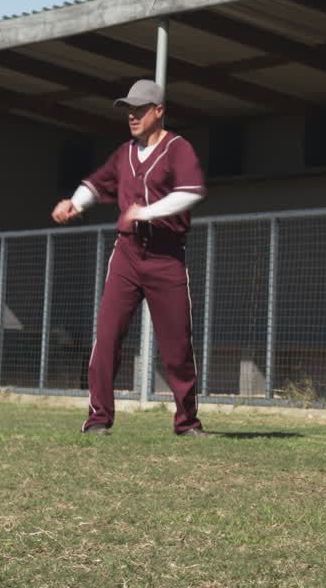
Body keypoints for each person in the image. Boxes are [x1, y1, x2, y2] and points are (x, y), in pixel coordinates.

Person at [51, 78, 213, 437]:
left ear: (159, 111)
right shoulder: (123, 153)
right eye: (129, 109)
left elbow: (191, 192)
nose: (132, 116)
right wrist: (75, 204)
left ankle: (187, 423)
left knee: (177, 346)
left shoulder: (178, 148)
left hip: (166, 255)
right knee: (107, 336)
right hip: (126, 255)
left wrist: (147, 212)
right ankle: (98, 420)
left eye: (140, 109)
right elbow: (97, 184)